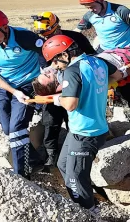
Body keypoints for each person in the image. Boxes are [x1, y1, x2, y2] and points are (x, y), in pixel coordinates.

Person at [41, 35, 123, 213]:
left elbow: (70, 104)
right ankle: (85, 196)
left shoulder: (72, 70)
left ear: (64, 54)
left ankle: (89, 210)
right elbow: (117, 75)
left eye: (55, 61)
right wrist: (93, 88)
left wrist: (56, 98)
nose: (55, 66)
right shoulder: (96, 61)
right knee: (63, 164)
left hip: (86, 133)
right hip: (86, 128)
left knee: (75, 176)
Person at [0, 9, 45, 178]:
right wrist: (13, 91)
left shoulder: (24, 37)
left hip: (27, 84)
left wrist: (45, 77)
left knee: (16, 128)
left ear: (5, 27)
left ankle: (21, 176)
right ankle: (35, 162)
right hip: (3, 86)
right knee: (7, 128)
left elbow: (46, 54)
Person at [30, 11, 96, 169]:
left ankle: (82, 152)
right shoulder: (41, 44)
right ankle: (51, 155)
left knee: (74, 120)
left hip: (76, 86)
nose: (46, 38)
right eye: (44, 35)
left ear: (57, 28)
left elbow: (92, 55)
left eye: (49, 34)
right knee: (50, 122)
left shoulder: (75, 38)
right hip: (53, 89)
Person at [76, 0, 130, 124]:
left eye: (92, 6)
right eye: (88, 7)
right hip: (104, 51)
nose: (91, 9)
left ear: (101, 0)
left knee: (126, 84)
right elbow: (77, 32)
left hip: (126, 51)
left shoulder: (120, 11)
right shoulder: (90, 15)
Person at [32, 11, 97, 55]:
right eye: (44, 36)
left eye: (50, 35)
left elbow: (91, 54)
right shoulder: (39, 43)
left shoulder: (76, 37)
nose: (48, 38)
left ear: (56, 28)